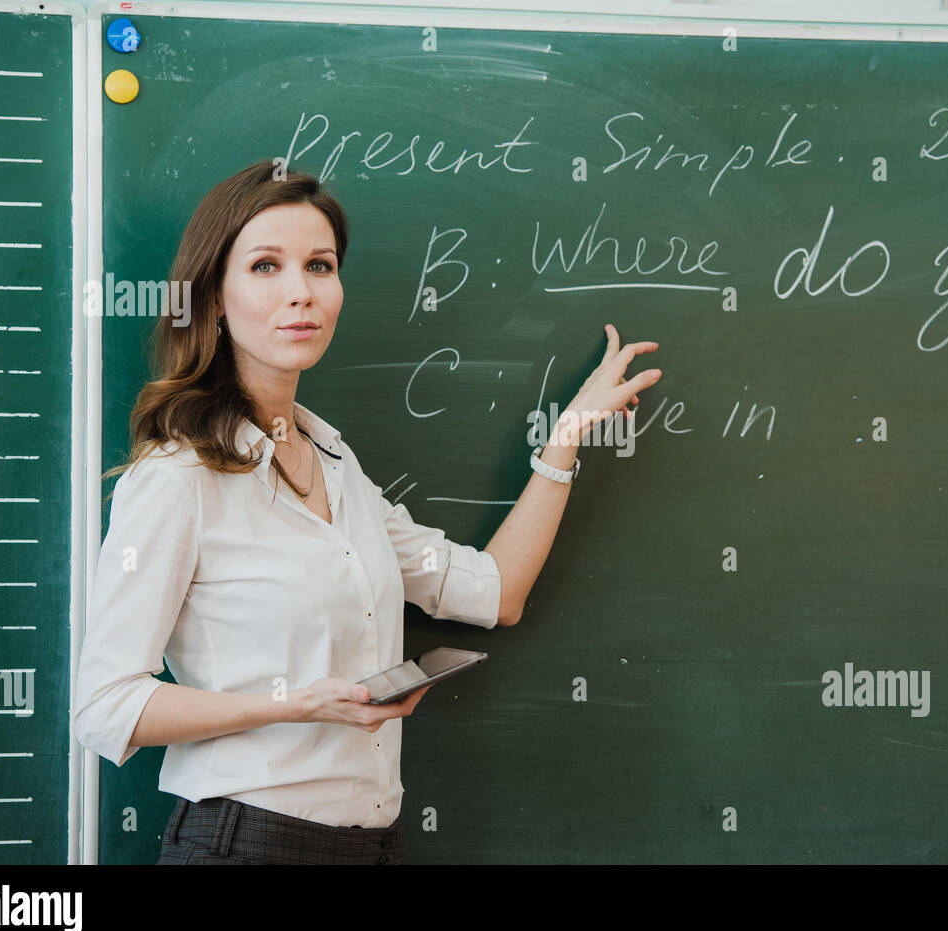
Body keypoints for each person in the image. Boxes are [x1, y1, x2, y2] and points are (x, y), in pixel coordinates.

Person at [73, 158, 661, 864]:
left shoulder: (336, 467)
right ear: (215, 297)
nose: (301, 293)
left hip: (375, 846)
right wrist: (295, 702)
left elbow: (496, 592)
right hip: (247, 844)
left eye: (320, 265)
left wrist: (565, 434)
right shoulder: (177, 478)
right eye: (265, 266)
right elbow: (105, 706)